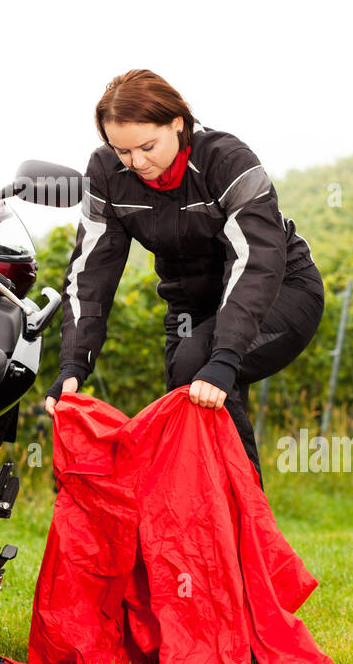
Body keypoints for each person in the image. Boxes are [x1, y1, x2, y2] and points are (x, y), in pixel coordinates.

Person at [44, 69, 325, 486]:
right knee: (185, 391)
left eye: (147, 146)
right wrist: (74, 363)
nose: (136, 163)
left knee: (201, 367)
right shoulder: (105, 172)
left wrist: (227, 355)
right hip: (192, 307)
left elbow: (257, 260)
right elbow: (91, 272)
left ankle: (245, 530)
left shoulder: (227, 160)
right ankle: (209, 531)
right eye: (122, 151)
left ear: (178, 122)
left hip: (281, 290)